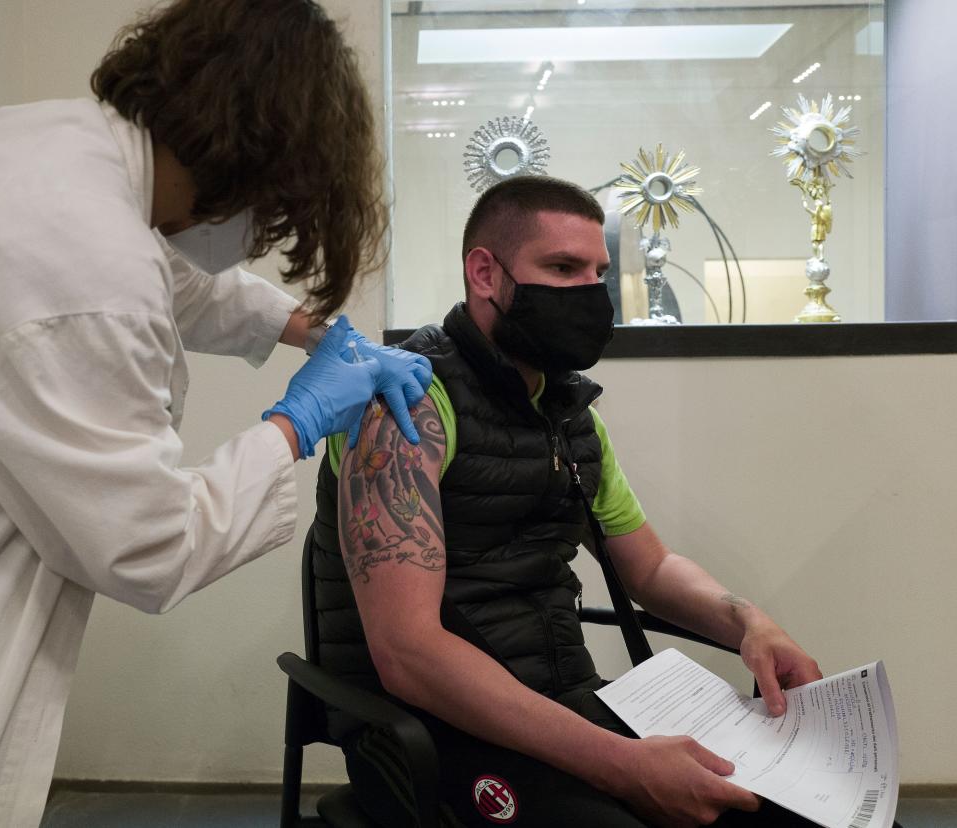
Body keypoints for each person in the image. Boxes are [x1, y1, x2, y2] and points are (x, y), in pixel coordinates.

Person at [0, 1, 430, 825]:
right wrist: (297, 424)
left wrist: (303, 329)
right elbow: (151, 547)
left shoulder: (45, 144)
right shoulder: (82, 261)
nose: (258, 236)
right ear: (251, 167)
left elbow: (166, 275)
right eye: (273, 212)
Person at [311, 176, 829, 827]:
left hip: (564, 707)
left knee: (810, 808)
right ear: (484, 273)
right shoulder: (402, 404)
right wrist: (624, 766)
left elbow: (651, 569)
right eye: (561, 268)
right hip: (430, 733)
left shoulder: (568, 413)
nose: (588, 292)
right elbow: (410, 655)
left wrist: (749, 621)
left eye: (598, 273)